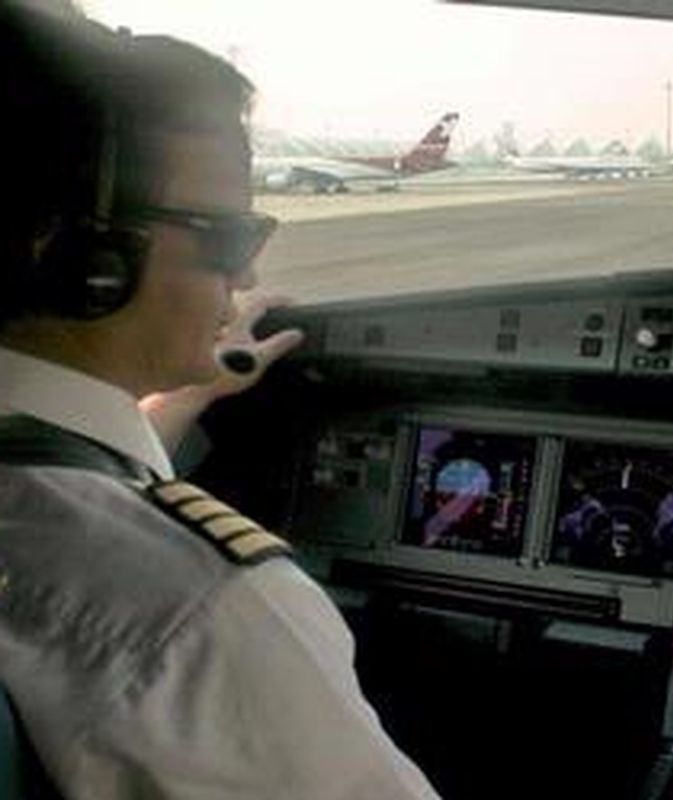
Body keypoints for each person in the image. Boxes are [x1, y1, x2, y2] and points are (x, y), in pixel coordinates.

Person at [0, 5, 440, 798]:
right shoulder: (205, 608)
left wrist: (177, 392)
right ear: (76, 256)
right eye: (228, 240)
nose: (241, 281)